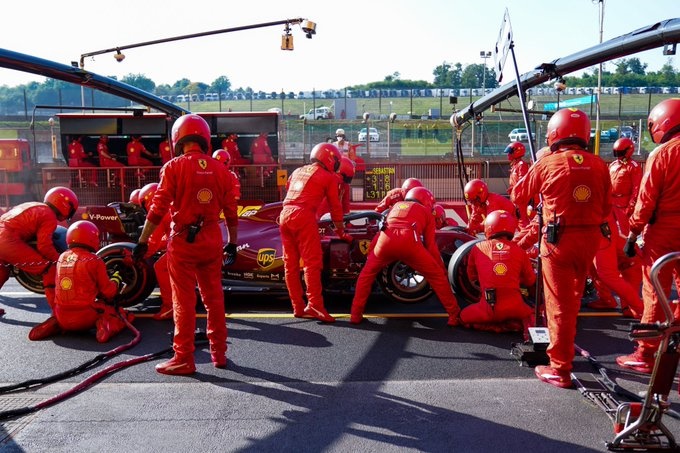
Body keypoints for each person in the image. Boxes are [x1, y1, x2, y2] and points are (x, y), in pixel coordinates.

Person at [512, 108, 611, 389]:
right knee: (574, 301)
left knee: (558, 307)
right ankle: (563, 350)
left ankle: (560, 368)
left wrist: (540, 169)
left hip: (558, 242)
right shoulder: (600, 165)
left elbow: (519, 194)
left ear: (554, 133)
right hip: (589, 241)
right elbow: (605, 208)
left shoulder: (547, 163)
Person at [133, 114, 239, 375]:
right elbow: (232, 214)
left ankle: (183, 357)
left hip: (183, 242)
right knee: (214, 299)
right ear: (203, 138)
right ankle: (219, 353)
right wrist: (232, 244)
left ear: (178, 139)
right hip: (213, 240)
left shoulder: (173, 167)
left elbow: (157, 211)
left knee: (183, 300)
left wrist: (143, 240)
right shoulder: (222, 171)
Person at [618, 98, 680, 374]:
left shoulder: (663, 153)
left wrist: (633, 234)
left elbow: (646, 199)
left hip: (664, 232)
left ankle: (647, 353)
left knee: (655, 292)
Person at [350, 187, 461, 325]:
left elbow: (381, 230)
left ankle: (355, 315)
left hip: (384, 241)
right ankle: (454, 315)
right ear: (427, 201)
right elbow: (431, 246)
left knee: (366, 276)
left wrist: (371, 255)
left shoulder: (395, 206)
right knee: (437, 276)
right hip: (409, 242)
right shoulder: (426, 212)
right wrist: (441, 268)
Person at [279, 142, 352, 323]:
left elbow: (289, 190)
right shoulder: (327, 177)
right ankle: (315, 305)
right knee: (312, 263)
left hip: (284, 215)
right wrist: (341, 232)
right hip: (303, 216)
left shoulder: (297, 171)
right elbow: (336, 208)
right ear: (330, 159)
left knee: (290, 265)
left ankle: (297, 306)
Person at [29, 220, 134, 342]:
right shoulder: (94, 260)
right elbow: (108, 292)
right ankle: (106, 326)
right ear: (91, 238)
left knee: (64, 305)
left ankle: (56, 323)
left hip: (61, 314)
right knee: (121, 313)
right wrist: (116, 279)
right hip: (86, 316)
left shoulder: (61, 258)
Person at [0, 187, 78, 330]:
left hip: (2, 234)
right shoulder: (48, 215)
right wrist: (60, 261)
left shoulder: (33, 205)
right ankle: (58, 314)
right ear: (65, 205)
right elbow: (44, 246)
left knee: (2, 273)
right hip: (8, 240)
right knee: (49, 269)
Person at [460, 210, 536, 334]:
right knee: (534, 314)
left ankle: (496, 327)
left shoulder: (477, 248)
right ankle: (511, 324)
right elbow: (530, 280)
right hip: (516, 308)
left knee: (463, 317)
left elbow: (471, 276)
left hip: (488, 309)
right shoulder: (520, 251)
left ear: (488, 227)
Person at [138, 182, 174, 321]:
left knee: (160, 267)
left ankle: (169, 306)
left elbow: (153, 243)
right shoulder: (171, 205)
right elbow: (166, 239)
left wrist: (138, 257)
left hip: (185, 245)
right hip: (202, 240)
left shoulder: (161, 212)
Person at [609, 137, 642, 236]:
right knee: (609, 231)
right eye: (616, 153)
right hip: (611, 202)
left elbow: (637, 188)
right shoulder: (613, 165)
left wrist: (631, 206)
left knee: (626, 232)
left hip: (624, 204)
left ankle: (627, 250)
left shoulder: (634, 166)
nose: (618, 156)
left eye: (620, 153)